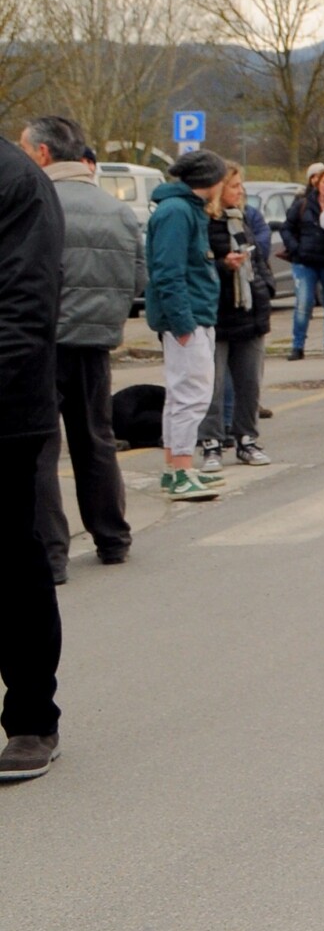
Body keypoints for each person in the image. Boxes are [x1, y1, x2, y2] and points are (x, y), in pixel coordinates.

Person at [20, 117, 140, 580]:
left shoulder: (33, 201)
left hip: (42, 342)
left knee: (41, 449)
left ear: (44, 154)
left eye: (24, 148)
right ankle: (113, 538)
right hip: (95, 342)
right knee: (96, 441)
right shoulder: (117, 209)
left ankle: (52, 554)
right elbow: (138, 281)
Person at [0, 128, 66, 781]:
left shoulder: (18, 182)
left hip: (5, 413)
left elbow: (24, 309)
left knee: (12, 566)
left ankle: (30, 719)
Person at [146, 150, 226, 502]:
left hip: (194, 314)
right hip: (188, 318)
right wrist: (182, 322)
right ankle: (180, 471)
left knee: (180, 394)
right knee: (192, 395)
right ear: (209, 181)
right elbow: (168, 271)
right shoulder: (178, 212)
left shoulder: (182, 209)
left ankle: (175, 467)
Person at [202, 167, 277, 470]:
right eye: (234, 186)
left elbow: (258, 258)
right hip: (218, 313)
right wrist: (223, 266)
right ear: (219, 189)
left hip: (250, 310)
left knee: (249, 383)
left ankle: (247, 439)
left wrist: (265, 287)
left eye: (241, 185)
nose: (240, 191)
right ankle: (211, 443)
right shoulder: (205, 223)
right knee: (213, 384)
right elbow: (200, 266)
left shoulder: (242, 218)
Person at [282, 162, 324, 361]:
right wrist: (295, 249)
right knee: (303, 303)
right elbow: (287, 228)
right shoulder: (303, 205)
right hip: (304, 262)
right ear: (318, 184)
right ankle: (297, 346)